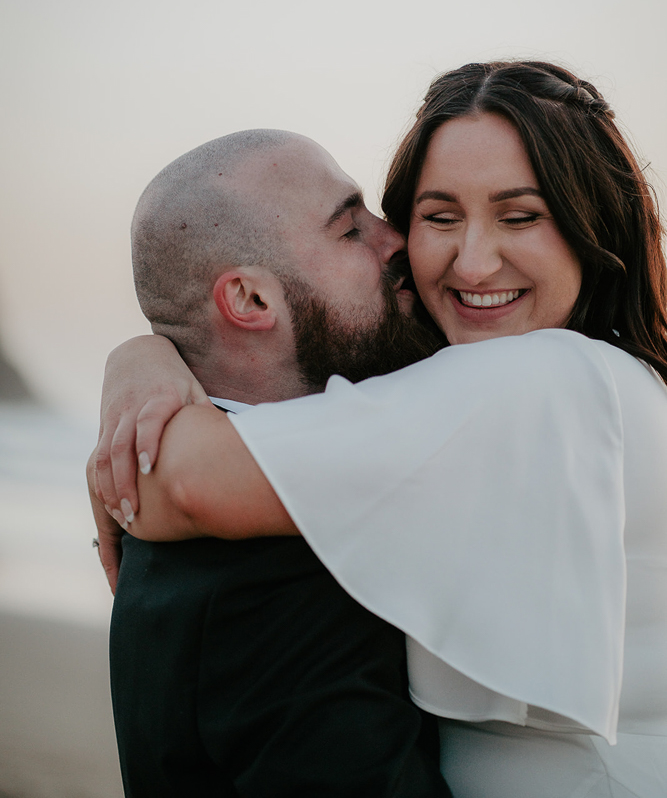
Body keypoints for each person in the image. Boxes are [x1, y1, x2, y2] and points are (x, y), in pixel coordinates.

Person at [94, 61, 667, 797]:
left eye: (519, 215)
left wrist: (139, 372)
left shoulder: (540, 377)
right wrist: (148, 353)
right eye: (436, 216)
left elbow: (188, 482)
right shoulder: (573, 376)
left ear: (590, 224)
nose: (471, 258)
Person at [92, 129, 450, 797]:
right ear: (251, 301)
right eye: (349, 229)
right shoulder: (274, 576)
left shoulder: (191, 520)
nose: (394, 237)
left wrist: (138, 355)